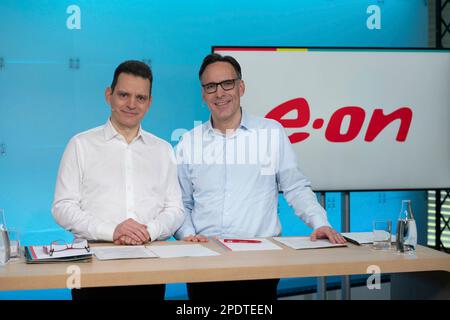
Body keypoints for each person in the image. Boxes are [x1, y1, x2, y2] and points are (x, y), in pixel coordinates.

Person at [174, 53, 346, 300]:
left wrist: (320, 222)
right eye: (210, 86)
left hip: (260, 260)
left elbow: (295, 186)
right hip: (204, 260)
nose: (219, 93)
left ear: (241, 87)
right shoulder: (189, 143)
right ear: (203, 94)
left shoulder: (270, 133)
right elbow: (182, 202)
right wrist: (189, 236)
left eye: (227, 84)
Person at [52, 60, 184, 300]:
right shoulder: (80, 145)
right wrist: (112, 231)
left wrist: (148, 231)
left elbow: (175, 209)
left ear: (149, 103)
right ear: (108, 95)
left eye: (140, 98)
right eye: (124, 95)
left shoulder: (162, 150)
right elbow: (63, 207)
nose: (132, 104)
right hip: (92, 268)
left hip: (150, 268)